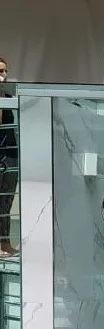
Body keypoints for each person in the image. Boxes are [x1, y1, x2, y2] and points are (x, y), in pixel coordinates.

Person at [0, 57, 18, 257]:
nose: (3, 76)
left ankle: (5, 243)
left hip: (10, 154)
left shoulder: (10, 96)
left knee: (6, 202)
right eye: (0, 71)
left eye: (5, 71)